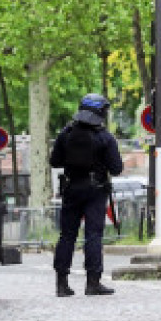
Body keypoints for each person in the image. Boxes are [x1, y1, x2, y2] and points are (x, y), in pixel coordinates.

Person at [50, 93, 123, 297]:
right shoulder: (104, 137)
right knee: (93, 236)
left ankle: (61, 284)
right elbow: (117, 168)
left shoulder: (66, 133)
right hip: (95, 190)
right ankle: (93, 283)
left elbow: (54, 161)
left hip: (71, 189)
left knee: (67, 236)